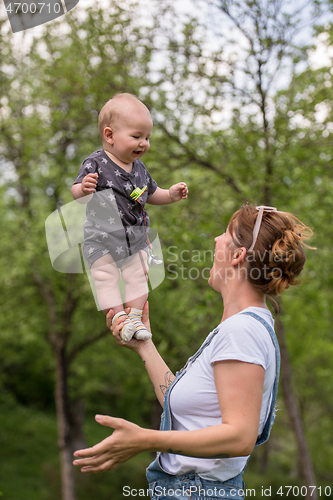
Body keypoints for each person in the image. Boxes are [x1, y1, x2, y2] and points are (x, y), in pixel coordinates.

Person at [73, 204, 313, 499]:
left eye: (225, 234)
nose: (216, 240)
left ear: (238, 256)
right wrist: (145, 348)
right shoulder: (242, 328)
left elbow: (239, 436)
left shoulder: (241, 333)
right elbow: (192, 414)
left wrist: (144, 439)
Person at [72, 93, 188, 341]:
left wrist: (171, 194)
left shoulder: (140, 169)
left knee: (138, 275)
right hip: (101, 238)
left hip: (134, 239)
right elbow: (77, 194)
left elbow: (152, 194)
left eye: (147, 137)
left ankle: (135, 317)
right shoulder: (96, 163)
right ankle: (118, 317)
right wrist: (83, 189)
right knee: (105, 277)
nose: (143, 143)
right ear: (109, 135)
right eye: (136, 136)